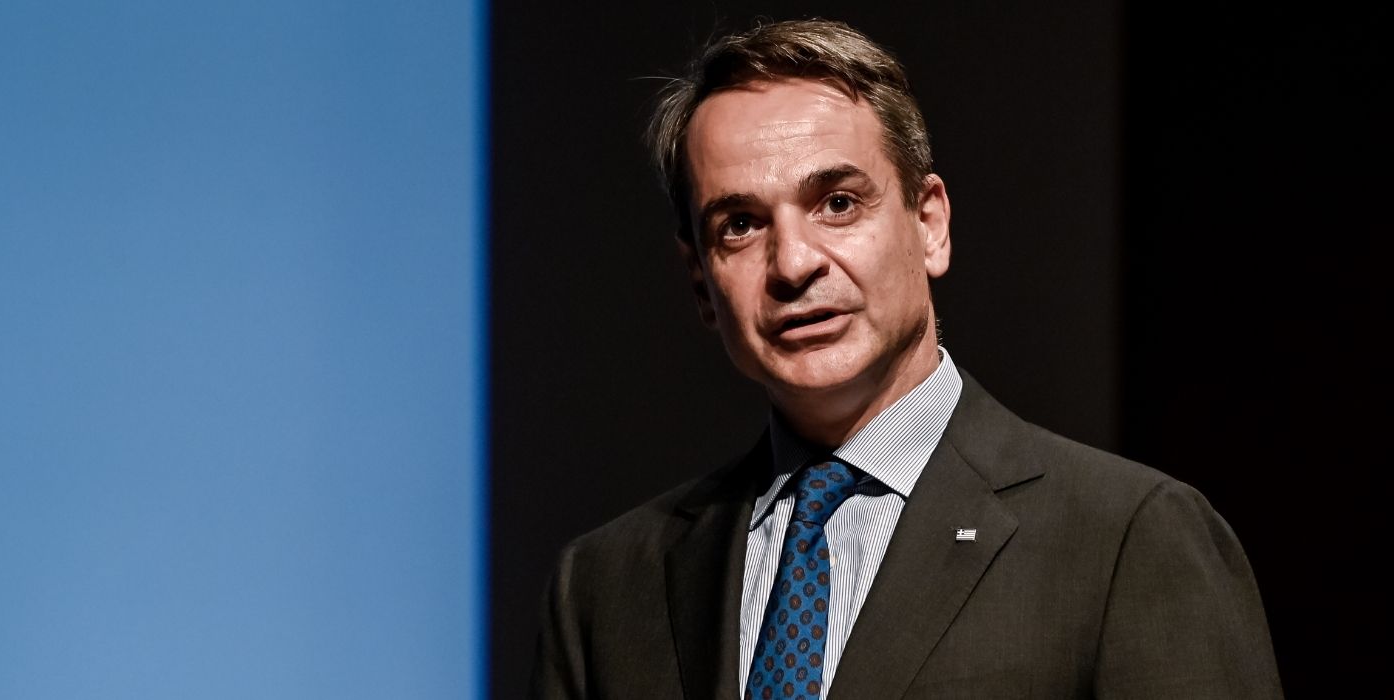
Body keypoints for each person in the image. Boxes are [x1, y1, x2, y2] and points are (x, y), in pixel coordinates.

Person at [530, 19, 1281, 699]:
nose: (792, 263)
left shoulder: (1127, 538)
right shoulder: (605, 585)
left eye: (837, 203)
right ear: (701, 281)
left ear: (929, 225)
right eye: (741, 225)